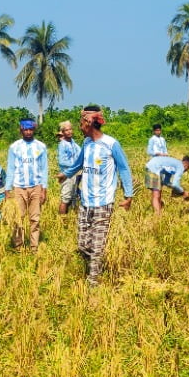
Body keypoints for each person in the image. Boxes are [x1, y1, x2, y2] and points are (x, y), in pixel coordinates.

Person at [57, 106, 133, 286]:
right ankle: (95, 265)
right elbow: (79, 163)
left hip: (103, 202)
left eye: (81, 123)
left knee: (97, 244)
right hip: (85, 201)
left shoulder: (111, 144)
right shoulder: (86, 143)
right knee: (83, 243)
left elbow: (123, 168)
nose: (79, 127)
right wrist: (66, 174)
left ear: (89, 123)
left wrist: (128, 194)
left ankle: (93, 281)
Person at [5, 118, 48, 252]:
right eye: (25, 129)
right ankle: (19, 247)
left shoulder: (41, 147)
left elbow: (44, 168)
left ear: (34, 130)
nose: (28, 132)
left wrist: (44, 189)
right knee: (18, 218)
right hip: (19, 188)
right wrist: (7, 189)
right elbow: (10, 168)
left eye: (30, 129)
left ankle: (34, 247)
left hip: (36, 186)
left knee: (35, 219)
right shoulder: (14, 147)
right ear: (21, 130)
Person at [56, 120, 81, 214]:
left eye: (70, 129)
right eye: (66, 130)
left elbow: (81, 152)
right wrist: (76, 165)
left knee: (74, 197)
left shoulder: (73, 143)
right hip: (67, 174)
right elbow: (62, 161)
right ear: (63, 132)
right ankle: (61, 222)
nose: (69, 131)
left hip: (75, 173)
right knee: (65, 198)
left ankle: (73, 219)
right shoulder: (62, 145)